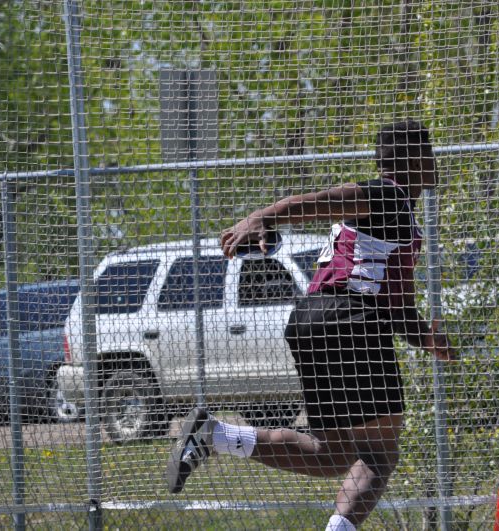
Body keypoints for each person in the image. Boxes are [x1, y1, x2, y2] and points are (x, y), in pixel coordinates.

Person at [166, 119, 454, 530]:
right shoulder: (388, 193)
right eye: (428, 152)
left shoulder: (398, 216)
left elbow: (395, 304)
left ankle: (214, 435)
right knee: (379, 456)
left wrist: (424, 336)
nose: (434, 160)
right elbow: (323, 200)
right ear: (411, 160)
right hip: (349, 319)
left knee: (333, 455)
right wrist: (264, 217)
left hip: (311, 318)